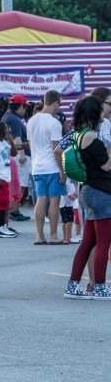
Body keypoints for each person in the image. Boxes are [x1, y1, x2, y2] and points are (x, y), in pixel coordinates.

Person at [64, 96, 111, 300]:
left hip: (88, 191)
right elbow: (106, 166)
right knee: (103, 242)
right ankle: (100, 287)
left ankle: (73, 285)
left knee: (88, 241)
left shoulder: (78, 134)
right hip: (101, 192)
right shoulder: (91, 136)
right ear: (94, 112)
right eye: (101, 110)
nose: (104, 113)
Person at [26, 90, 64, 244]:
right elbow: (57, 149)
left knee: (41, 199)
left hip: (37, 166)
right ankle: (53, 235)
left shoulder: (31, 121)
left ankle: (39, 235)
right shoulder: (54, 122)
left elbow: (31, 145)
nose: (59, 107)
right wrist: (62, 170)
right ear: (55, 102)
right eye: (59, 104)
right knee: (54, 200)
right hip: (52, 167)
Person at [2, 94, 32, 222]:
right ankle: (14, 210)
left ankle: (13, 210)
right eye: (24, 107)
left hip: (12, 155)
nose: (25, 110)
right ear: (20, 106)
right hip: (20, 156)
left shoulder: (7, 116)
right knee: (21, 184)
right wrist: (22, 155)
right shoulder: (14, 119)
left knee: (17, 184)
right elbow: (17, 139)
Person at [0, 122, 18, 238]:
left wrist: (10, 140)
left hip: (6, 177)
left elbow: (14, 153)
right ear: (2, 131)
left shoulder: (4, 143)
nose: (8, 131)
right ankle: (1, 227)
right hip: (0, 177)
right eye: (6, 129)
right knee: (1, 202)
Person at [60, 179, 77, 245]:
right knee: (67, 221)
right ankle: (66, 237)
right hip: (64, 201)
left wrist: (75, 195)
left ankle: (67, 237)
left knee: (69, 220)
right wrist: (70, 195)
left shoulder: (72, 177)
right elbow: (62, 187)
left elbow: (76, 186)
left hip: (70, 202)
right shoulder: (64, 176)